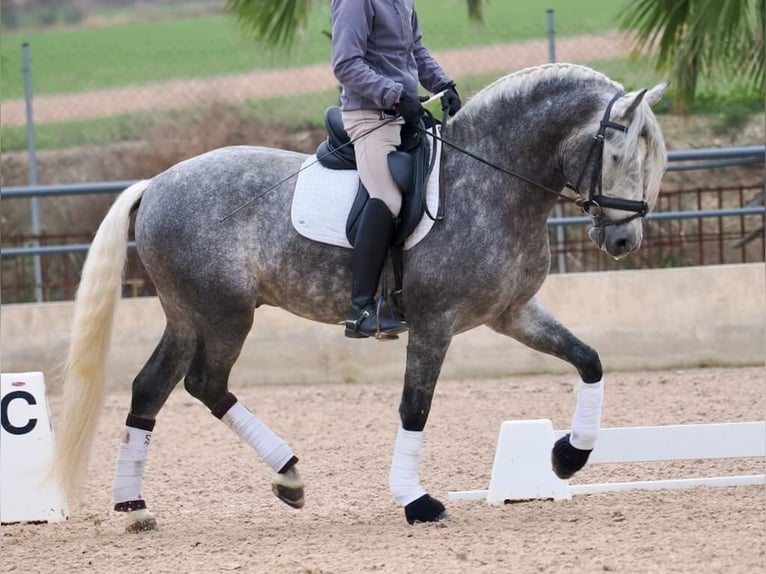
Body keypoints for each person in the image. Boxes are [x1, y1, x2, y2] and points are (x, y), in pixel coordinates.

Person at [330, 0, 462, 339]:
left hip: (403, 113)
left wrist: (443, 85)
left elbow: (415, 49)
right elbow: (346, 64)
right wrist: (394, 95)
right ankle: (360, 310)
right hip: (370, 116)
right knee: (388, 197)